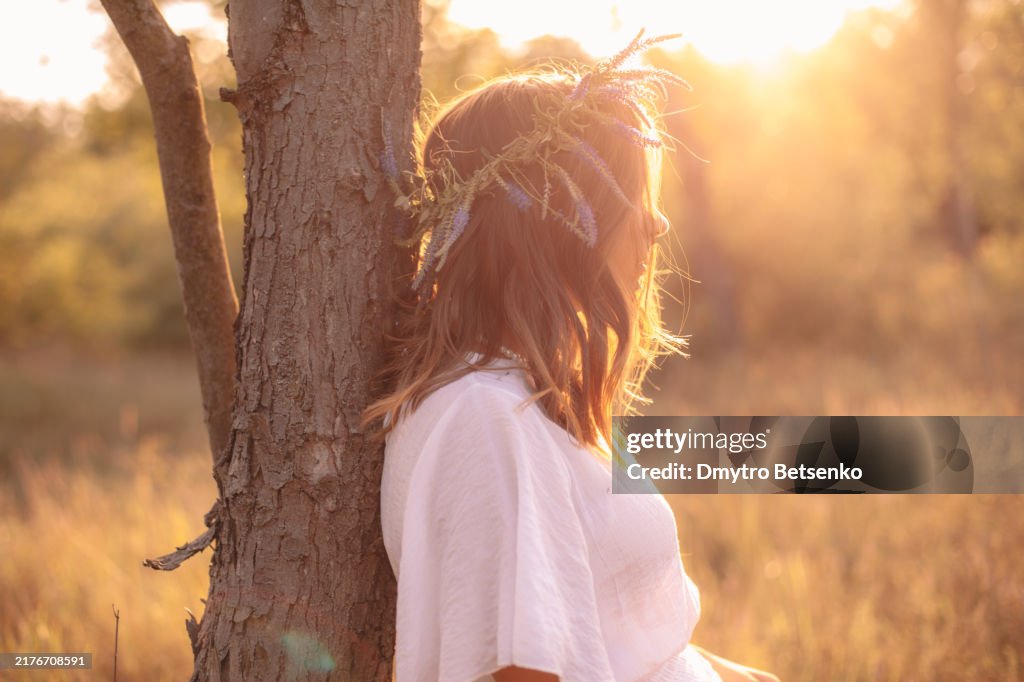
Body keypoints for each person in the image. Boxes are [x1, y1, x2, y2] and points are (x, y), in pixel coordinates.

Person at [363, 31, 780, 682]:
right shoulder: (484, 423)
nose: (657, 225)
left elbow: (623, 644)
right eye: (632, 197)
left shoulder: (520, 401)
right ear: (556, 217)